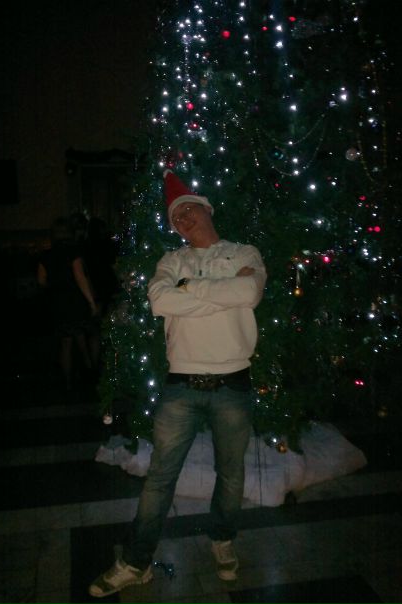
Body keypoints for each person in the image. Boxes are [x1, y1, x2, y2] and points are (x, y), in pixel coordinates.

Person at [89, 170, 267, 597]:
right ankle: (135, 562)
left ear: (207, 209)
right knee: (159, 478)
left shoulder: (244, 252)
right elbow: (160, 300)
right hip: (181, 385)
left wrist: (191, 291)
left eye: (188, 210)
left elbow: (249, 293)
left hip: (233, 383)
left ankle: (222, 540)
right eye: (175, 217)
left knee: (231, 474)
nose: (183, 219)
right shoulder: (171, 262)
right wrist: (219, 289)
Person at [37, 216, 99, 393]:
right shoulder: (73, 252)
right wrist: (91, 302)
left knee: (65, 343)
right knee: (82, 336)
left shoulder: (46, 255)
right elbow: (80, 277)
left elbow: (41, 281)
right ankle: (90, 374)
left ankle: (68, 383)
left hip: (57, 303)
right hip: (75, 301)